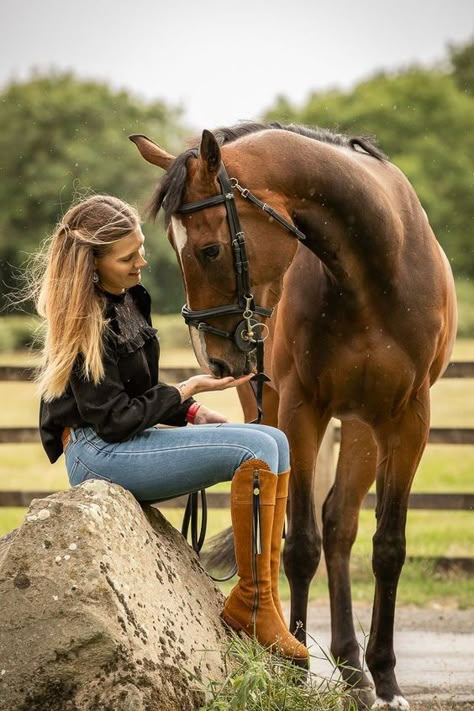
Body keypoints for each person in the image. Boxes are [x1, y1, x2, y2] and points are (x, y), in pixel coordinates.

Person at [35, 194, 308, 662]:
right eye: (127, 256)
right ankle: (253, 604)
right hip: (97, 452)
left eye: (140, 247)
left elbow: (136, 390)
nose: (142, 261)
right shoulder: (83, 321)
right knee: (254, 452)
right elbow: (115, 419)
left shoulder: (126, 299)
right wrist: (184, 391)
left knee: (274, 440)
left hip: (120, 439)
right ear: (92, 264)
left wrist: (193, 413)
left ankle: (261, 601)